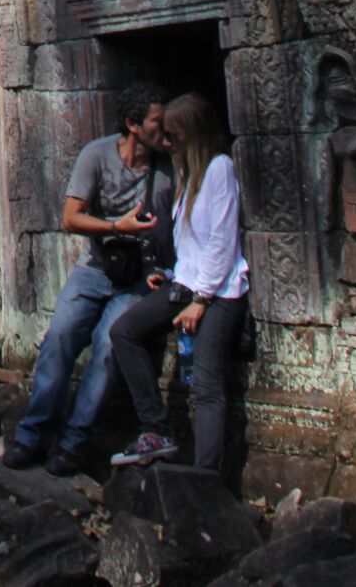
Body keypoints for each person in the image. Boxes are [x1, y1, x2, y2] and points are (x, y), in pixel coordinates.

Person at [6, 82, 173, 477]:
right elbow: (70, 218)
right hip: (96, 269)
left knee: (109, 348)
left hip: (139, 281)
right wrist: (119, 226)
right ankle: (32, 436)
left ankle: (73, 443)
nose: (166, 130)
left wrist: (165, 272)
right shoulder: (96, 156)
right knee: (60, 338)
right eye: (157, 122)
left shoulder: (168, 172)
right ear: (133, 125)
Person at [109, 91, 249, 470]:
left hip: (219, 291)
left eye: (172, 136)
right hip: (187, 282)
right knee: (124, 332)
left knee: (206, 387)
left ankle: (206, 479)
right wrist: (170, 275)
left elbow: (222, 240)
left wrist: (200, 300)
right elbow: (192, 242)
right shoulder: (187, 174)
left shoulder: (219, 168)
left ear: (193, 134)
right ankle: (157, 430)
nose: (166, 143)